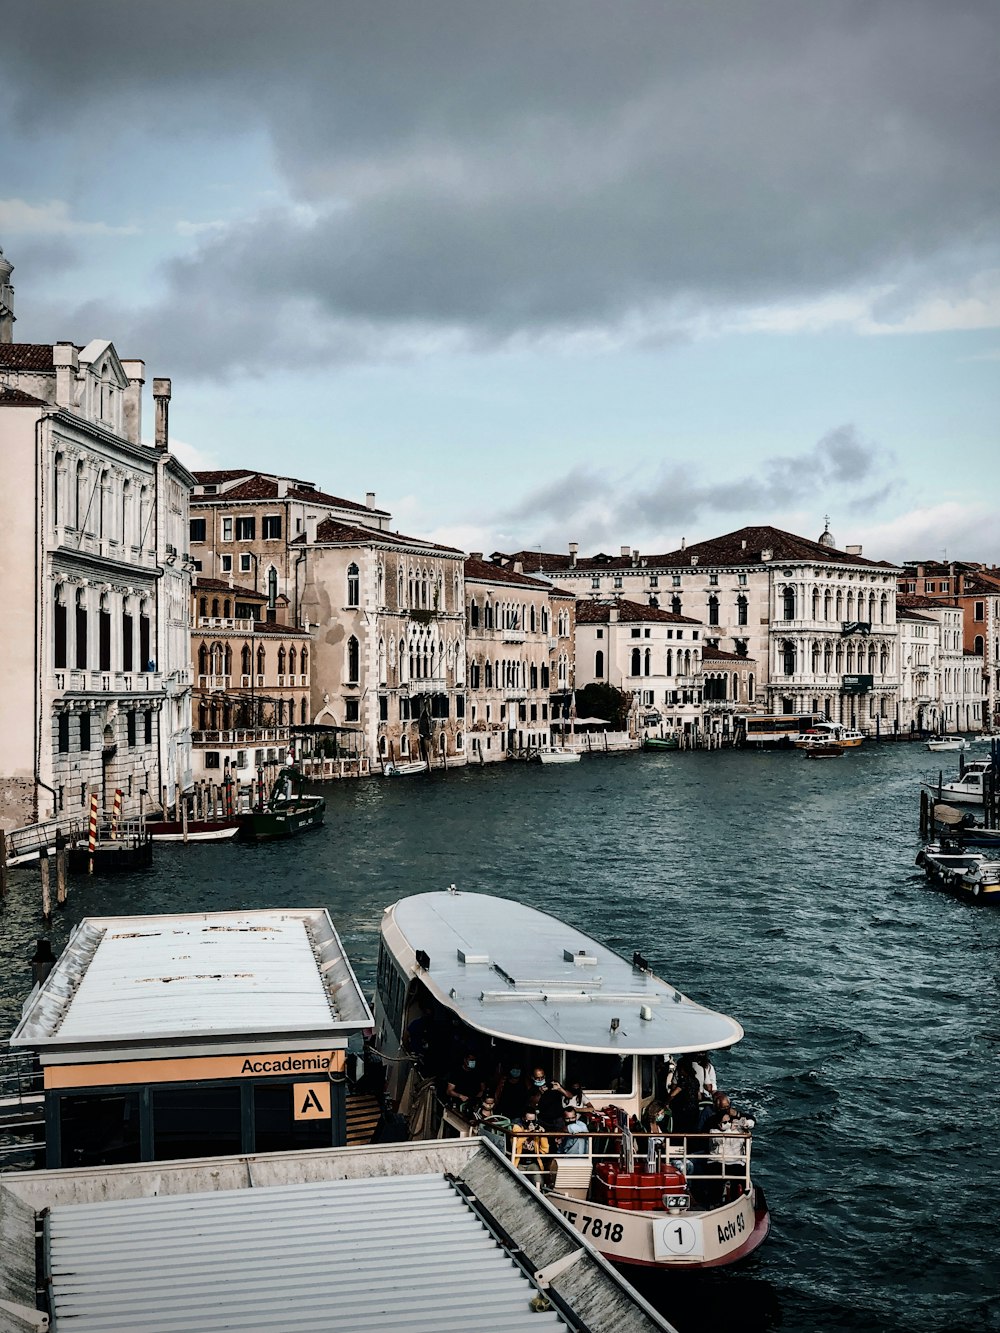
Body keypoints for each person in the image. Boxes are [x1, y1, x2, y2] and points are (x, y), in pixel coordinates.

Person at [532, 1067, 568, 1131]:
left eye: (542, 1077)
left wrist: (560, 1089)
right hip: (543, 1120)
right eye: (537, 1078)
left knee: (559, 1139)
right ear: (533, 1077)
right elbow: (532, 1103)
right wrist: (540, 1093)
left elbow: (569, 1096)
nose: (540, 1079)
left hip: (558, 1119)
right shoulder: (532, 1088)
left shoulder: (552, 1083)